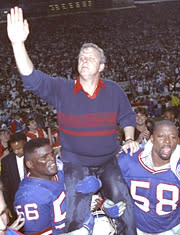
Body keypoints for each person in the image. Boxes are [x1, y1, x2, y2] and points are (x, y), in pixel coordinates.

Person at [7, 7, 139, 234]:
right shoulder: (62, 89)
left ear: (101, 67)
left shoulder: (115, 90)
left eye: (90, 57)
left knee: (123, 204)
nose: (84, 59)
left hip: (108, 160)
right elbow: (32, 80)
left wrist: (128, 138)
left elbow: (127, 116)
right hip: (75, 163)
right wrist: (18, 44)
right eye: (81, 57)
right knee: (76, 214)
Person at [14, 138, 125, 235]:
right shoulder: (28, 196)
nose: (51, 159)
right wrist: (82, 231)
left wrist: (103, 204)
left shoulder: (60, 168)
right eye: (44, 157)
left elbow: (79, 196)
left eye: (51, 154)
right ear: (30, 164)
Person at [117, 120, 180, 234]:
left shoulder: (177, 167)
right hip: (136, 227)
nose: (167, 141)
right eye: (161, 136)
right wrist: (109, 203)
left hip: (172, 228)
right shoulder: (129, 160)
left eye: (173, 137)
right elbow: (107, 183)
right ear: (151, 138)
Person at [1, 132, 27, 223]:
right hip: (16, 202)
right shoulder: (6, 162)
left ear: (25, 144)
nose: (16, 152)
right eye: (13, 149)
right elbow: (5, 186)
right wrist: (6, 206)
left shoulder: (34, 156)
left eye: (19, 149)